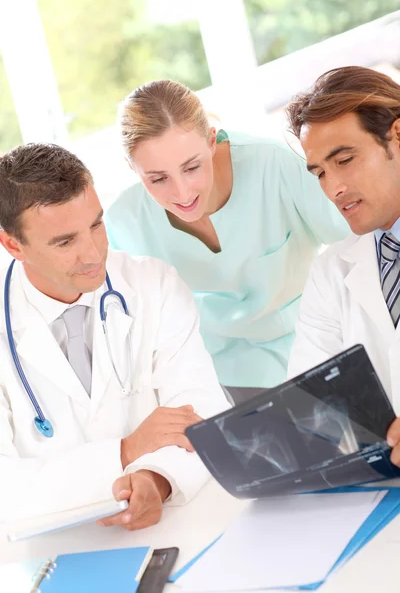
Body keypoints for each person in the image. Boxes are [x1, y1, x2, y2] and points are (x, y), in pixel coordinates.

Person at [0, 142, 229, 527]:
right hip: (44, 550)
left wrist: (156, 478)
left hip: (169, 521)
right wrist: (125, 452)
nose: (93, 254)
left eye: (96, 224)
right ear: (12, 245)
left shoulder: (153, 285)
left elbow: (200, 411)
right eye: (65, 241)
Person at [105, 80, 349, 397]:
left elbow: (362, 248)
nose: (182, 193)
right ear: (131, 167)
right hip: (218, 374)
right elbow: (140, 331)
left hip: (319, 345)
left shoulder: (277, 166)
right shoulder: (125, 222)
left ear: (210, 140)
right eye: (158, 178)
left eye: (191, 167)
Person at [285, 65, 400, 466]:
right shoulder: (331, 272)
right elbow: (307, 407)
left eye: (345, 160)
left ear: (397, 136)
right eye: (319, 173)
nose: (333, 189)